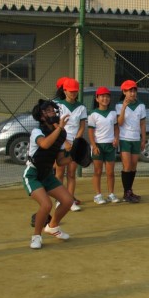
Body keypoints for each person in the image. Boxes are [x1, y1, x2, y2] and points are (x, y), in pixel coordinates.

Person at [23, 99, 74, 249]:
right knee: (46, 204)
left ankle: (52, 227)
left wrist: (74, 156)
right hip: (32, 175)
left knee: (68, 201)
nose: (53, 112)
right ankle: (36, 236)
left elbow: (60, 161)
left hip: (47, 175)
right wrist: (59, 129)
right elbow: (45, 144)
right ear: (42, 116)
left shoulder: (60, 134)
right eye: (49, 110)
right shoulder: (37, 132)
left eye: (53, 110)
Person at [54, 78, 88, 212]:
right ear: (64, 90)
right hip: (60, 143)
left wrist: (75, 143)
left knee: (72, 173)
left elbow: (82, 126)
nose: (73, 93)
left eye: (75, 91)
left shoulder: (81, 107)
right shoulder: (57, 105)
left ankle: (70, 201)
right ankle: (59, 200)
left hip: (74, 144)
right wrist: (65, 141)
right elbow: (56, 124)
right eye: (70, 91)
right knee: (59, 173)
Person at [88, 86, 120, 204]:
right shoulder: (93, 114)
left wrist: (116, 138)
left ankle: (111, 194)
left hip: (110, 146)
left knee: (110, 172)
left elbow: (116, 128)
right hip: (98, 146)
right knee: (97, 171)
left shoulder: (113, 113)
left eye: (107, 96)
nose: (105, 99)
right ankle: (98, 195)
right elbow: (90, 131)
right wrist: (94, 146)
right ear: (97, 99)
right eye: (102, 96)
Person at [116, 80, 146, 203]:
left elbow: (143, 123)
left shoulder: (141, 106)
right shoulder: (118, 105)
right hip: (124, 139)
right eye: (129, 91)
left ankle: (130, 191)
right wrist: (124, 107)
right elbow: (119, 123)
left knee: (133, 166)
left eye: (134, 90)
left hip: (136, 139)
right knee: (127, 166)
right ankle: (126, 193)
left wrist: (143, 139)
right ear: (124, 92)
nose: (132, 93)